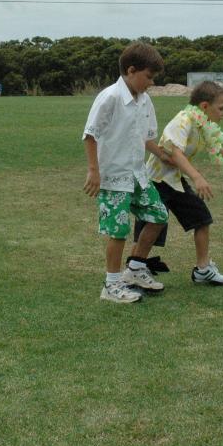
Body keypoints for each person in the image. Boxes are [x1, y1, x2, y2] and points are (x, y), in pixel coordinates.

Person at [133, 80, 223, 285]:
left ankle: (203, 270)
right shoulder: (183, 120)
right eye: (221, 108)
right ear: (204, 106)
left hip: (175, 181)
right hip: (156, 180)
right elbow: (175, 153)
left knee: (201, 219)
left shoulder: (204, 125)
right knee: (153, 224)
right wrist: (197, 177)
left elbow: (220, 150)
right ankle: (135, 268)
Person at [82, 41, 174, 304]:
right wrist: (94, 171)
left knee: (158, 215)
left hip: (137, 175)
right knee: (118, 231)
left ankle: (134, 269)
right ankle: (111, 286)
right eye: (149, 76)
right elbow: (90, 135)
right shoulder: (110, 97)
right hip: (113, 177)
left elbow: (145, 139)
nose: (151, 83)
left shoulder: (145, 101)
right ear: (131, 70)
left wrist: (163, 155)